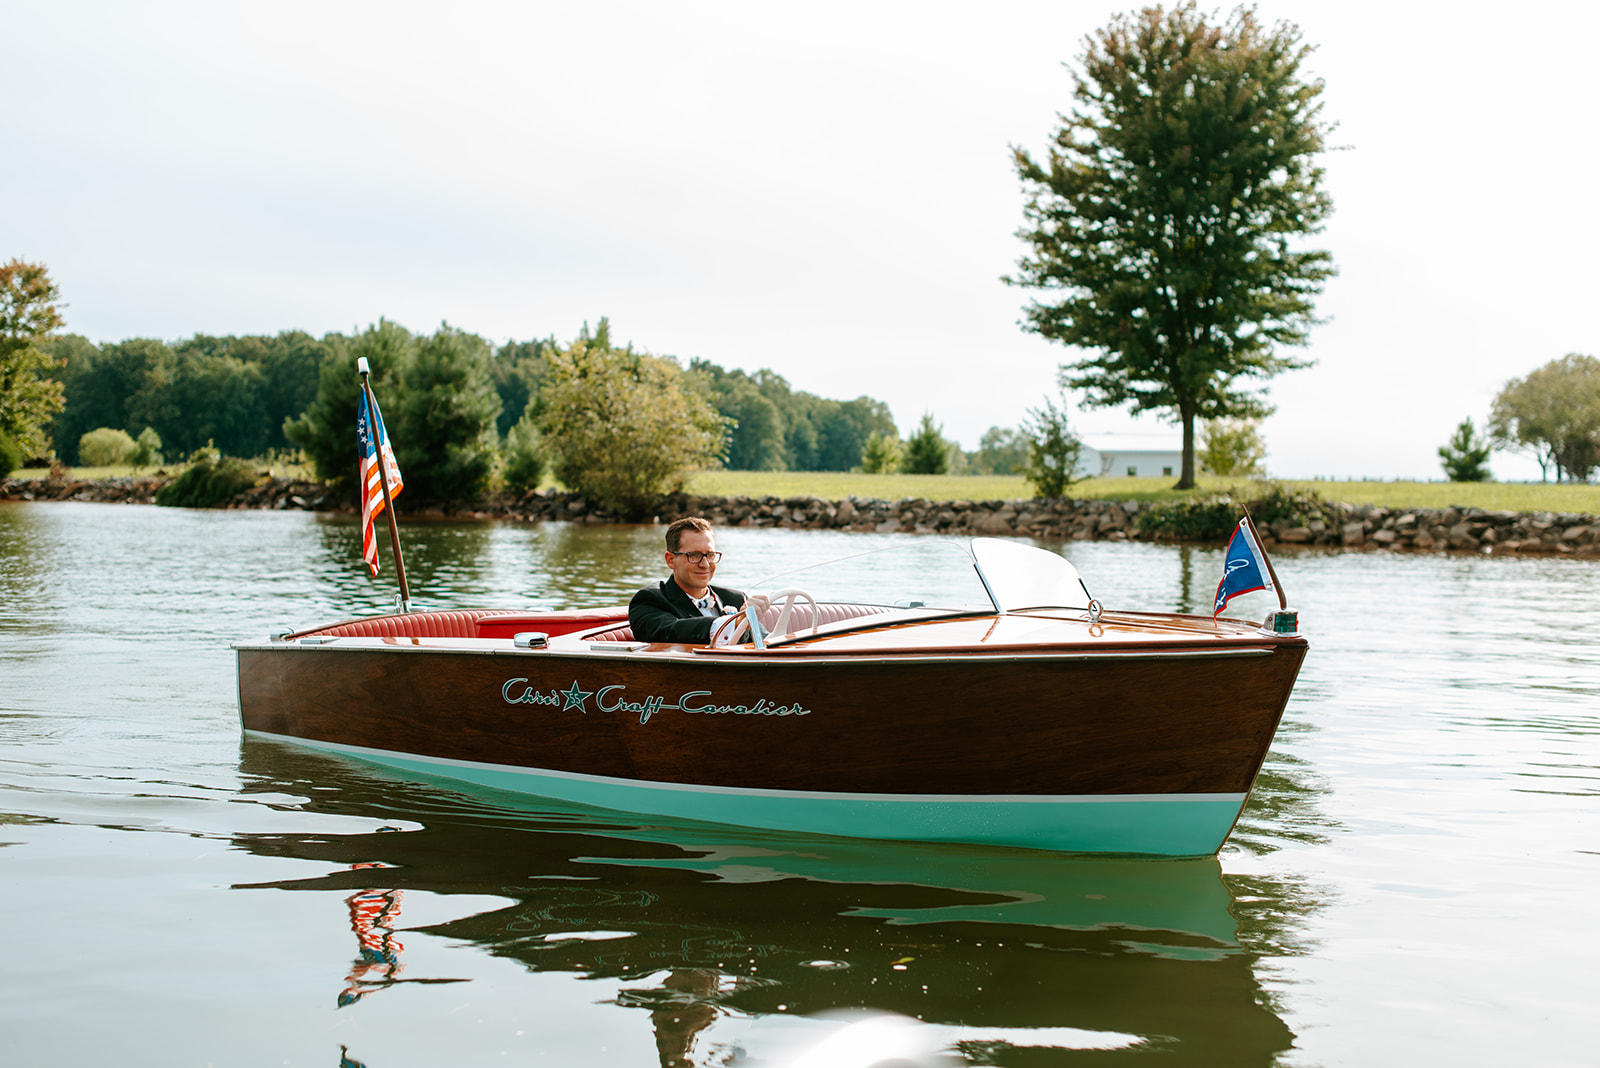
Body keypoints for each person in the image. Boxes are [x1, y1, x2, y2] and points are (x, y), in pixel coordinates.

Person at [628, 517, 750, 644]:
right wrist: (732, 623)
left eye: (710, 555)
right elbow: (670, 632)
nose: (705, 564)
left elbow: (765, 644)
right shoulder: (649, 600)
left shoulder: (737, 599)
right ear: (670, 560)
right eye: (694, 555)